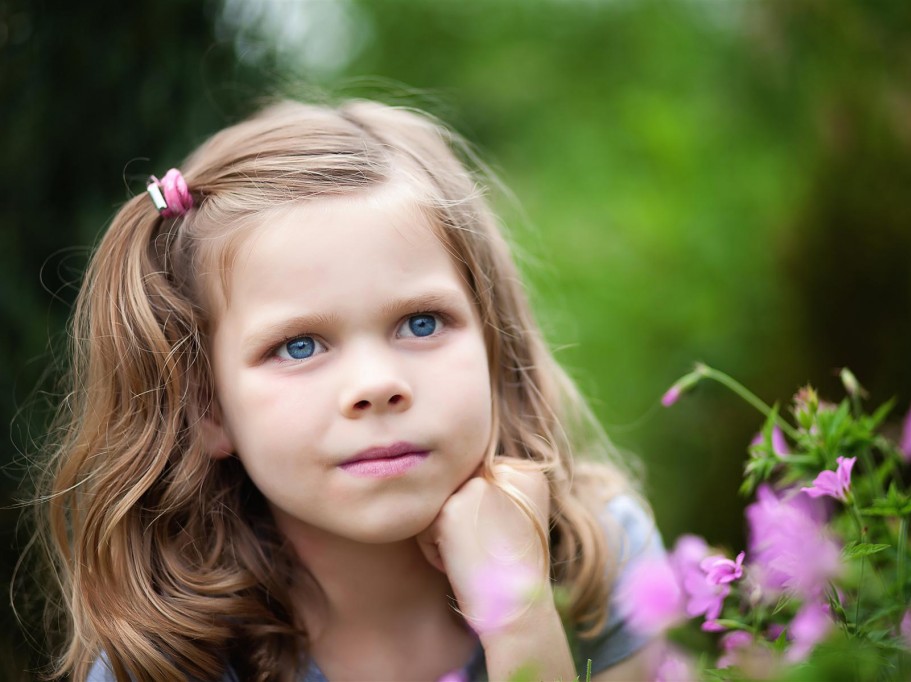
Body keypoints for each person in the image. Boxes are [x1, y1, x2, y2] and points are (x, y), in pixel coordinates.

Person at [37, 98, 669, 682]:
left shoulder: (600, 564)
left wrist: (521, 616)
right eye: (299, 346)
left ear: (491, 343)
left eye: (421, 323)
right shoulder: (166, 664)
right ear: (207, 409)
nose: (376, 386)